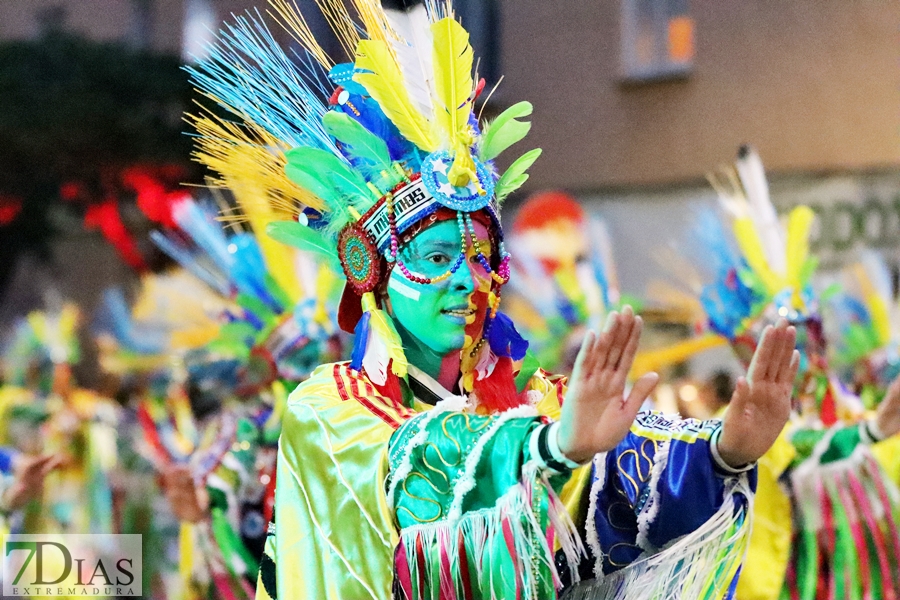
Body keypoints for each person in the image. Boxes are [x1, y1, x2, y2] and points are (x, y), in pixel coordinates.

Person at [184, 1, 799, 598]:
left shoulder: (535, 397)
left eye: (481, 257)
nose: (467, 280)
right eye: (435, 259)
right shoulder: (328, 408)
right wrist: (550, 449)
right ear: (368, 269)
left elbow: (617, 468)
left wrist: (723, 451)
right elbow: (418, 464)